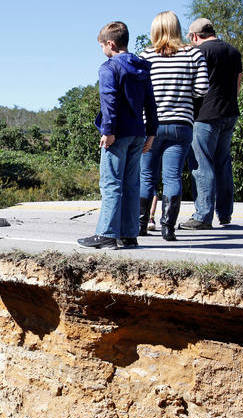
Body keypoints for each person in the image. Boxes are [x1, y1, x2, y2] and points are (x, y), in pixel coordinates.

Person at [78, 21, 158, 249]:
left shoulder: (108, 67)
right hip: (138, 134)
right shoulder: (142, 67)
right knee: (132, 183)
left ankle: (106, 234)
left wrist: (108, 130)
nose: (102, 50)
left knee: (111, 183)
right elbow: (151, 103)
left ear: (110, 44)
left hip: (118, 134)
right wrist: (151, 132)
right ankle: (129, 234)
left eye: (102, 45)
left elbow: (109, 100)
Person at [138, 11, 209, 240]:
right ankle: (168, 228)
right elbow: (202, 90)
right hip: (181, 124)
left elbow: (138, 93)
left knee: (147, 177)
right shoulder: (193, 54)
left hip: (151, 125)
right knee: (172, 177)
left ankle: (140, 225)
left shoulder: (145, 56)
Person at [179, 18, 243, 229]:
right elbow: (238, 84)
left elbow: (191, 84)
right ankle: (225, 214)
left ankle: (203, 216)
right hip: (229, 113)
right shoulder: (233, 51)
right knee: (223, 163)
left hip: (206, 115)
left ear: (195, 36)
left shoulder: (200, 52)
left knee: (201, 164)